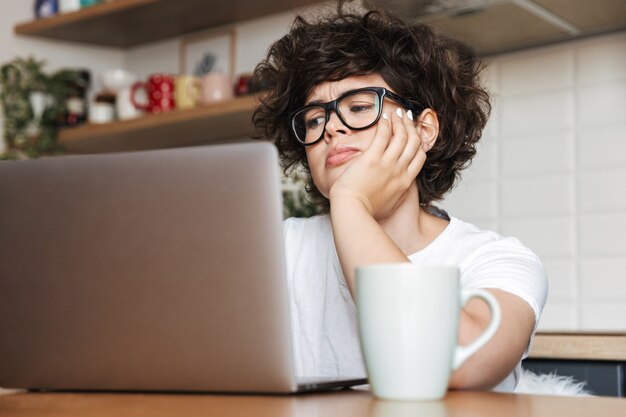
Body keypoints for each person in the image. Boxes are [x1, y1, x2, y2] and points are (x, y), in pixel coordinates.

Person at [251, 4, 548, 392]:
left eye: (358, 107)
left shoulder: (499, 260)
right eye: (314, 119)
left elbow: (461, 365)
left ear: (423, 130)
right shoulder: (279, 248)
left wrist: (351, 201)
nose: (331, 129)